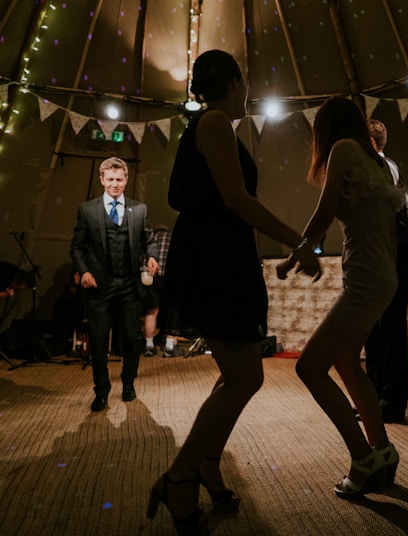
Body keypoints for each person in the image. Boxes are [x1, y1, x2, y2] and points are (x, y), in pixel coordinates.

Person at [147, 50, 320, 535]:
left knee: (236, 375)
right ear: (232, 81)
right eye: (245, 81)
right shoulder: (218, 120)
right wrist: (299, 241)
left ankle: (205, 466)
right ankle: (179, 477)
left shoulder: (212, 124)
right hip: (216, 261)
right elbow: (237, 199)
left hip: (218, 255)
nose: (250, 92)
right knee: (245, 378)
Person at [277, 96, 403, 500]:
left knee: (310, 368)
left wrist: (297, 253)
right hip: (383, 276)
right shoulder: (378, 161)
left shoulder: (343, 150)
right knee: (347, 361)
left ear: (326, 129)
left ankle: (363, 457)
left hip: (366, 280)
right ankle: (383, 450)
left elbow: (325, 210)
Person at [70, 157, 159, 412]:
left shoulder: (139, 209)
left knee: (131, 339)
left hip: (129, 285)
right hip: (100, 286)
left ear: (126, 180)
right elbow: (77, 247)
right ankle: (101, 391)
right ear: (102, 180)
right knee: (98, 340)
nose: (115, 184)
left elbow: (149, 241)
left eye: (119, 179)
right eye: (110, 179)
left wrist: (152, 256)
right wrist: (84, 271)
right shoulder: (87, 210)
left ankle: (129, 383)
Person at [363, 119, 408, 423]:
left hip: (390, 252)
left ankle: (391, 402)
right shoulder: (385, 168)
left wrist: (399, 247)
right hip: (389, 252)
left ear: (371, 144)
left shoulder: (382, 168)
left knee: (390, 328)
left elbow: (392, 213)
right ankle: (375, 397)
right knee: (376, 329)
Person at [142, 225, 180, 358]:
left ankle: (149, 346)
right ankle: (169, 347)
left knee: (151, 312)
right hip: (170, 278)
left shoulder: (150, 240)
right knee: (172, 312)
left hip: (152, 278)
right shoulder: (172, 237)